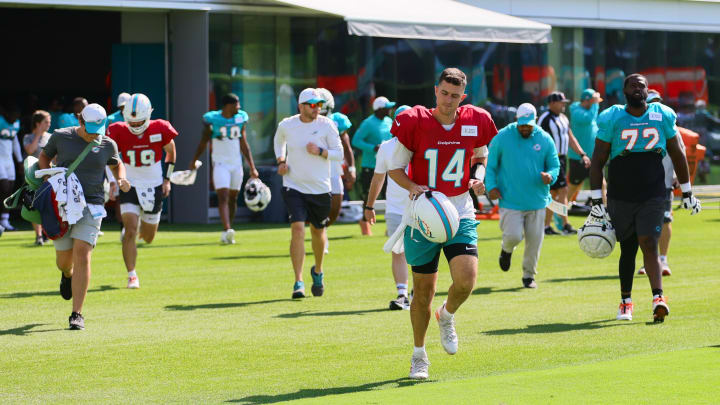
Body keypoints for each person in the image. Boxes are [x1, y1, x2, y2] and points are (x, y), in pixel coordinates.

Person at [388, 68, 497, 380]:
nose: (449, 100)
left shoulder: (475, 120)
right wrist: (411, 186)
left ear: (463, 97)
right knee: (423, 290)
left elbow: (480, 155)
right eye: (444, 93)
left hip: (459, 209)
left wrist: (477, 177)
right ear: (436, 90)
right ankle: (419, 355)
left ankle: (446, 315)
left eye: (455, 95)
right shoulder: (415, 120)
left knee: (466, 280)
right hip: (423, 215)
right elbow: (395, 167)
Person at [590, 73, 701, 323]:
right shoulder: (613, 116)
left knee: (649, 242)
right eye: (633, 85)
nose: (638, 88)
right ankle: (626, 301)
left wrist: (687, 190)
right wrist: (597, 200)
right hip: (621, 192)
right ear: (625, 91)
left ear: (648, 90)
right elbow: (598, 160)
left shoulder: (662, 114)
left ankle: (658, 298)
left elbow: (678, 152)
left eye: (642, 85)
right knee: (627, 247)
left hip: (653, 191)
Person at [38, 103, 131, 330]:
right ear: (80, 122)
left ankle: (77, 314)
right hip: (63, 205)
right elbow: (43, 159)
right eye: (90, 130)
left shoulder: (108, 144)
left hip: (92, 205)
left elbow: (117, 165)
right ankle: (67, 275)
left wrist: (121, 179)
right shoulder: (61, 136)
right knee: (64, 261)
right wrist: (48, 181)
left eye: (97, 131)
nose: (94, 136)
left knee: (83, 254)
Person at [273, 88, 342, 299]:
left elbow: (338, 154)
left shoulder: (327, 125)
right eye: (312, 105)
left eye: (319, 105)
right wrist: (281, 161)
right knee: (297, 229)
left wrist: (321, 152)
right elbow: (279, 141)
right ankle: (298, 281)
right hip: (293, 185)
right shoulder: (287, 125)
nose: (317, 109)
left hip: (320, 188)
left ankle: (318, 270)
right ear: (301, 106)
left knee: (317, 232)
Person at [486, 103, 560, 289]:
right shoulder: (502, 137)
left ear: (535, 122)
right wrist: (491, 186)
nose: (525, 128)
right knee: (513, 236)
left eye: (529, 124)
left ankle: (528, 276)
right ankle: (506, 249)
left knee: (534, 241)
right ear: (516, 120)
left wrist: (550, 176)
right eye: (522, 124)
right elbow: (491, 166)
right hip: (510, 199)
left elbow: (554, 164)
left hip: (537, 200)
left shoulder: (545, 139)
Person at [107, 93, 177, 289]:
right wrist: (114, 181)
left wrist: (167, 179)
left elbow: (171, 151)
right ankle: (132, 275)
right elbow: (108, 156)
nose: (136, 126)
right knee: (129, 230)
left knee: (148, 237)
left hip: (153, 184)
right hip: (130, 184)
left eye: (140, 122)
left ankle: (137, 228)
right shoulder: (117, 130)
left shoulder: (160, 127)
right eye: (132, 122)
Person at [190, 93, 259, 244]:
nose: (239, 107)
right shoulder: (213, 120)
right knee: (223, 196)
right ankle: (227, 228)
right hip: (220, 163)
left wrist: (252, 167)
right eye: (236, 105)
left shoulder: (240, 118)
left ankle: (227, 229)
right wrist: (194, 159)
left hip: (236, 163)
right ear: (228, 106)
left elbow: (243, 143)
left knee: (233, 198)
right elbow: (203, 142)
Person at [365, 105, 412, 310]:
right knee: (397, 251)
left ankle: (418, 292)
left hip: (422, 208)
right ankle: (403, 294)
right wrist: (369, 205)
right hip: (395, 209)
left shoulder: (423, 144)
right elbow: (378, 178)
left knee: (421, 253)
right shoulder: (386, 147)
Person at [637, 90, 684, 277]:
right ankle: (648, 260)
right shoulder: (636, 125)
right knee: (644, 225)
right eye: (652, 102)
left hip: (663, 183)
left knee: (665, 220)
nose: (656, 106)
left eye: (658, 102)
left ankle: (663, 260)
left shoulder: (670, 125)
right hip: (641, 184)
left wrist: (680, 176)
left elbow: (679, 153)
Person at [538, 91, 591, 235]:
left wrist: (582, 154)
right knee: (561, 191)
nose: (563, 105)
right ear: (552, 103)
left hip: (562, 158)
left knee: (555, 192)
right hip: (550, 159)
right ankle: (563, 224)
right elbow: (536, 140)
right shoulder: (545, 118)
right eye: (561, 102)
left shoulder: (563, 118)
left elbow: (570, 137)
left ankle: (547, 226)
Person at [316, 88, 356, 254]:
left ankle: (322, 229)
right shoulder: (306, 122)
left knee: (336, 206)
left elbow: (346, 145)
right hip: (315, 169)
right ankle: (319, 233)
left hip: (333, 168)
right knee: (319, 205)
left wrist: (351, 169)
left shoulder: (337, 121)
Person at [352, 95, 395, 235]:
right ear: (379, 109)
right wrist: (372, 148)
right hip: (370, 165)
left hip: (388, 165)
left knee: (390, 195)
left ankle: (391, 225)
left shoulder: (389, 121)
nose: (389, 111)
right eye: (387, 108)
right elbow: (356, 140)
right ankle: (365, 224)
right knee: (368, 195)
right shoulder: (368, 123)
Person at [23, 110, 53, 244]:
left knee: (48, 206)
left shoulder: (52, 137)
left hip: (49, 176)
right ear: (38, 123)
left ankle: (47, 233)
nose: (49, 124)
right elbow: (30, 150)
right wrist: (38, 135)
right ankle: (39, 236)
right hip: (33, 177)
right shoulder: (28, 137)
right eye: (46, 122)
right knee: (33, 206)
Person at [568, 89, 603, 202]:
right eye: (593, 102)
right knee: (573, 187)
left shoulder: (591, 112)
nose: (595, 105)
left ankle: (605, 213)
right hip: (579, 157)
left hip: (592, 157)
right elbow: (587, 119)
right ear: (587, 101)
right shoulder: (576, 111)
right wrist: (595, 104)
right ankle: (559, 213)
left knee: (602, 184)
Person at [0, 105, 23, 233]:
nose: (16, 118)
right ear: (7, 114)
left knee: (9, 189)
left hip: (8, 160)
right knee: (3, 187)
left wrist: (19, 161)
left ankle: (5, 220)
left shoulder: (16, 123)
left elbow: (15, 143)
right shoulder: (1, 121)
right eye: (14, 114)